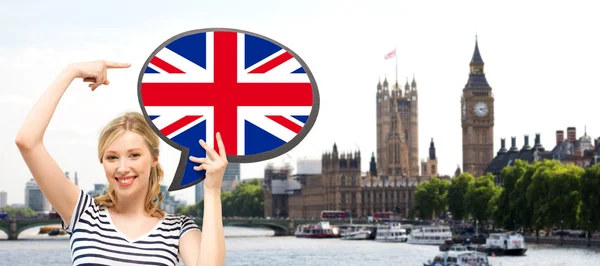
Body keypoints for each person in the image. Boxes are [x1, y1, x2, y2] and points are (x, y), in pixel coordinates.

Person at [15, 60, 226, 266]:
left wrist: (212, 190)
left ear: (154, 158)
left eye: (134, 155)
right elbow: (27, 141)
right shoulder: (83, 214)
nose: (122, 168)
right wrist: (71, 71)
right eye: (112, 157)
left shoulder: (177, 229)